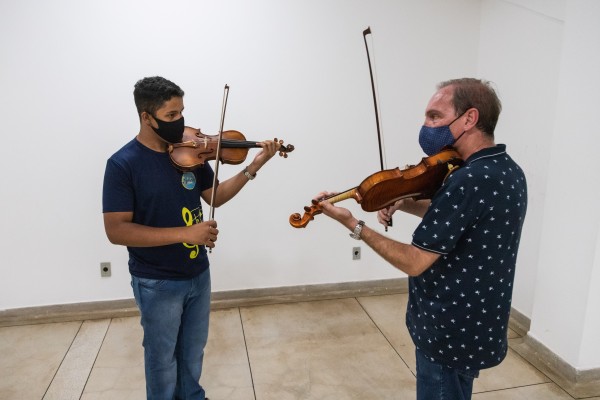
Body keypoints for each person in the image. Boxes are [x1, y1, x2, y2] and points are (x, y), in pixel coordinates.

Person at [318, 78, 527, 400]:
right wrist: (405, 201)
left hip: (448, 328)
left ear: (469, 119)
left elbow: (414, 262)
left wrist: (354, 224)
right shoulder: (504, 170)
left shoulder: (468, 179)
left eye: (435, 116)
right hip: (478, 321)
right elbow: (461, 219)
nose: (426, 126)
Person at [102, 76, 279, 400]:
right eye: (170, 116)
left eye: (181, 112)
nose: (180, 122)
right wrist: (188, 233)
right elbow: (117, 230)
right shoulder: (122, 164)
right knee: (161, 360)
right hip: (157, 281)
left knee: (193, 352)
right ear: (146, 117)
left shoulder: (191, 154)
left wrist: (253, 166)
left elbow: (216, 196)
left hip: (198, 273)